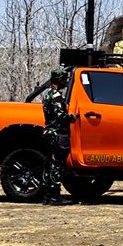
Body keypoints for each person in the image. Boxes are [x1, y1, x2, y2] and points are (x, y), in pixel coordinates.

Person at [41, 67, 77, 205]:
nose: (65, 82)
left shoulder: (47, 94)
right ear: (59, 79)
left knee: (49, 164)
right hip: (57, 133)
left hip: (49, 132)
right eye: (64, 79)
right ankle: (55, 196)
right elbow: (60, 115)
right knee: (57, 165)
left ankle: (47, 195)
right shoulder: (56, 96)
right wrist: (72, 117)